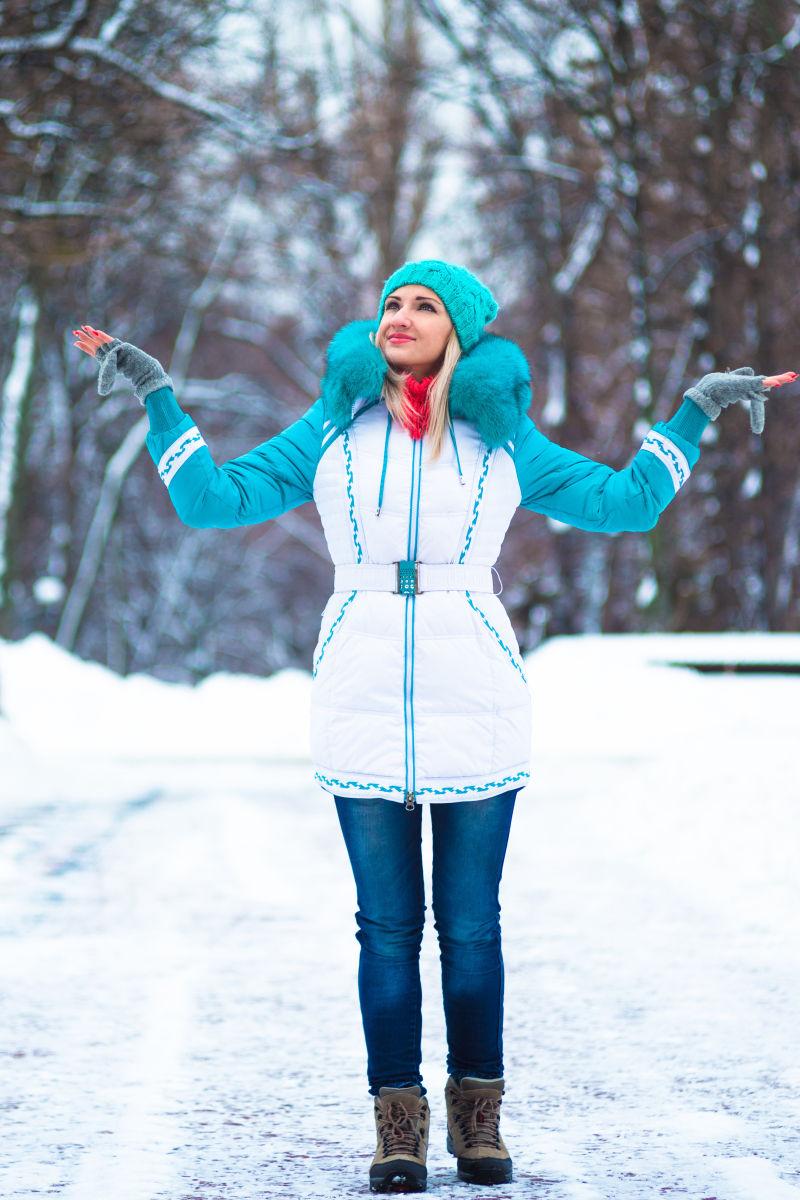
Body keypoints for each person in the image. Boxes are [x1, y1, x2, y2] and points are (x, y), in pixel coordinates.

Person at [72, 258, 770, 1193]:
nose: (399, 315)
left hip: (476, 691)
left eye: (425, 305)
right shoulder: (333, 428)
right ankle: (397, 1125)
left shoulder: (503, 438)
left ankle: (477, 1121)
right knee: (385, 930)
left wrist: (693, 410)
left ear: (463, 332)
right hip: (358, 692)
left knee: (472, 928)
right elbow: (211, 501)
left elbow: (625, 502)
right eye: (392, 302)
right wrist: (159, 396)